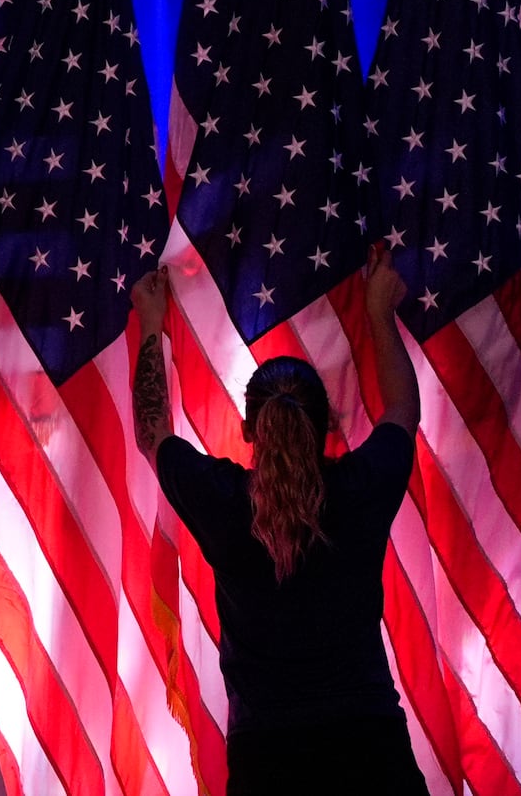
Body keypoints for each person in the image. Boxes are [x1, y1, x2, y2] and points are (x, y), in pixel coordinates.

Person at [130, 248, 429, 796]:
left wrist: (153, 321)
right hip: (370, 748)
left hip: (268, 759)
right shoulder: (360, 490)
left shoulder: (224, 502)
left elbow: (152, 432)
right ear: (328, 427)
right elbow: (403, 412)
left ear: (249, 433)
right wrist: (379, 311)